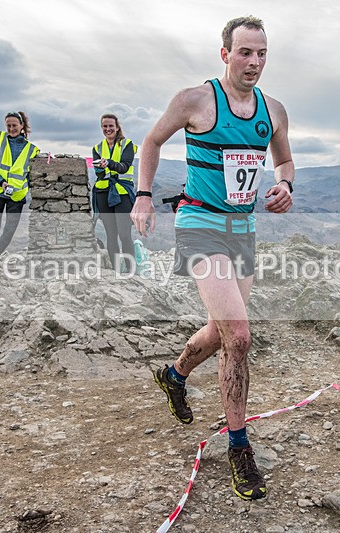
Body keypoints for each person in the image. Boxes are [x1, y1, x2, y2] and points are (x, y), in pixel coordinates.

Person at [131, 15, 294, 501]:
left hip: (242, 230)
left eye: (262, 53)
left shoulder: (274, 110)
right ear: (225, 54)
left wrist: (284, 184)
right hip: (200, 224)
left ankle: (173, 374)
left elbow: (284, 159)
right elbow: (152, 141)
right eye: (245, 52)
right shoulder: (195, 100)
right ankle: (239, 448)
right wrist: (142, 195)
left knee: (219, 329)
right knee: (239, 336)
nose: (255, 62)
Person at [0, 111, 39, 272]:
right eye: (8, 126)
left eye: (14, 125)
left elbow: (32, 174)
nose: (11, 128)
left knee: (10, 229)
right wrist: (2, 182)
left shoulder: (32, 150)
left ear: (22, 126)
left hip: (17, 195)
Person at [91, 114, 138, 273]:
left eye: (111, 126)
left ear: (117, 127)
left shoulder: (127, 145)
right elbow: (99, 174)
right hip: (103, 193)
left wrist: (109, 163)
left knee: (124, 234)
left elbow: (125, 166)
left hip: (122, 193)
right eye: (104, 126)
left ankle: (130, 271)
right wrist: (99, 168)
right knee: (111, 234)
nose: (108, 129)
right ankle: (116, 271)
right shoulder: (97, 148)